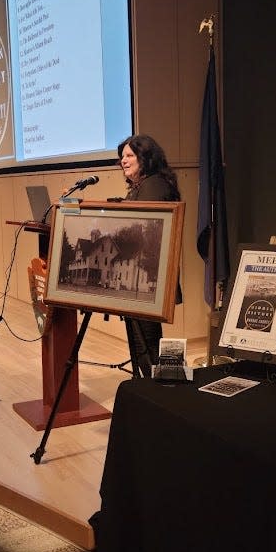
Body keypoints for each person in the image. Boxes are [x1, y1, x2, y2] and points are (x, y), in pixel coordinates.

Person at [117, 134, 182, 376]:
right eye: (122, 157)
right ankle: (149, 385)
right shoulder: (141, 186)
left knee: (148, 341)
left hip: (148, 277)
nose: (123, 161)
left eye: (130, 155)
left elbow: (143, 231)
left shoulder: (154, 187)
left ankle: (161, 388)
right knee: (141, 339)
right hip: (141, 276)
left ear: (146, 157)